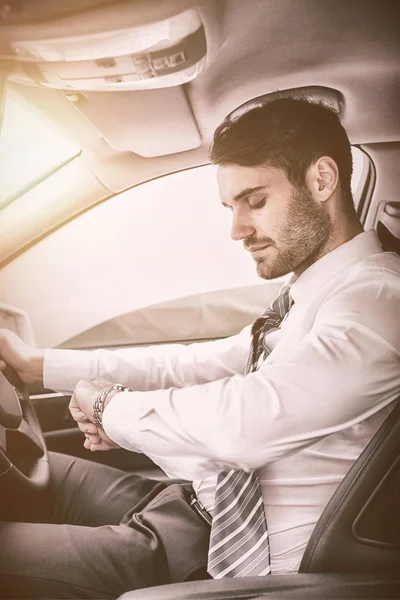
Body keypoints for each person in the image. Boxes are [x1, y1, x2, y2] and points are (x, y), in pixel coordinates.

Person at [0, 97, 399, 599]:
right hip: (202, 505)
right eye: (231, 207)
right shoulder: (311, 297)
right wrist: (38, 366)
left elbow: (247, 423)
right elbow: (200, 362)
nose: (237, 230)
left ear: (322, 180)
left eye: (255, 201)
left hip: (234, 562)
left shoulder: (379, 301)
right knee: (42, 474)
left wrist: (110, 408)